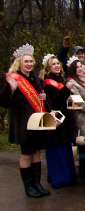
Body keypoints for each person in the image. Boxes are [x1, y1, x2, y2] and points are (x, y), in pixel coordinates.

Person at [6, 44, 50, 198]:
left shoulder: (35, 78)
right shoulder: (14, 79)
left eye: (31, 61)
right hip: (23, 122)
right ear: (19, 62)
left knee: (36, 152)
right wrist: (9, 90)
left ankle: (37, 183)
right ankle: (28, 187)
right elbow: (6, 100)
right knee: (26, 154)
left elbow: (39, 97)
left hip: (37, 121)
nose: (29, 64)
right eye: (26, 61)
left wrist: (43, 97)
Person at [41, 54, 77, 189]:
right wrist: (66, 89)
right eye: (53, 64)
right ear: (48, 68)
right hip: (57, 119)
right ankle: (60, 178)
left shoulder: (59, 79)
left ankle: (68, 174)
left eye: (58, 64)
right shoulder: (48, 82)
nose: (56, 66)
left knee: (65, 147)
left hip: (65, 118)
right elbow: (55, 102)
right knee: (58, 148)